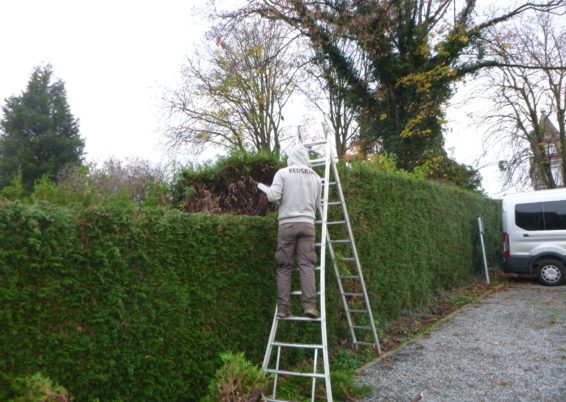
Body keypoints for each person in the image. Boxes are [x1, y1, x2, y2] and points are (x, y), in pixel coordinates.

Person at [258, 145, 322, 319]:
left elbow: (273, 197)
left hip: (287, 224)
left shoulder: (283, 173)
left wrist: (265, 188)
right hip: (308, 224)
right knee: (307, 265)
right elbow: (317, 205)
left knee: (285, 266)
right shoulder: (316, 177)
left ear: (291, 157)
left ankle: (283, 308)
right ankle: (310, 306)